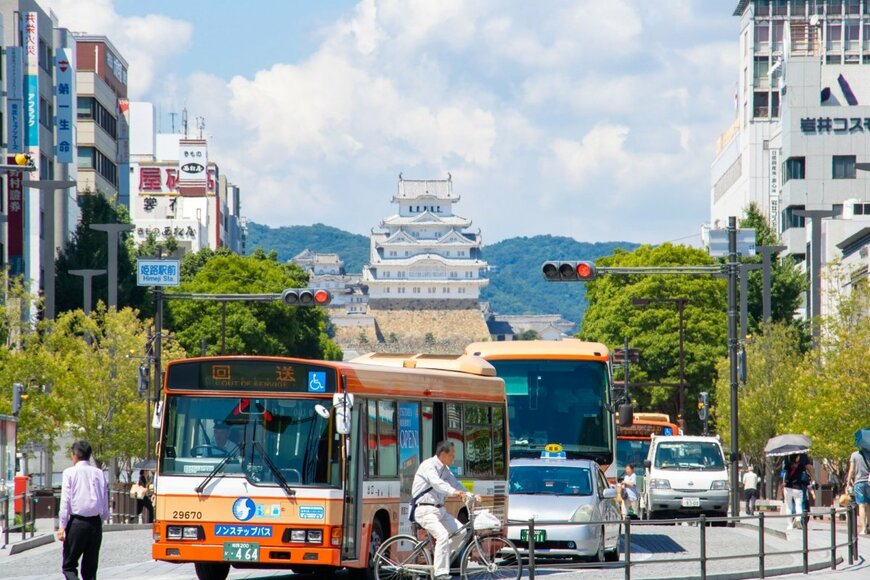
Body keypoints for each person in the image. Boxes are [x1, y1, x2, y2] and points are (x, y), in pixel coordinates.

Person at [411, 441, 475, 580]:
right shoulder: (428, 466)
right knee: (442, 536)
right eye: (452, 455)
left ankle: (441, 558)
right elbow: (438, 484)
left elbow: (456, 483)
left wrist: (471, 495)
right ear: (443, 455)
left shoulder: (445, 470)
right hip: (424, 510)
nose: (453, 458)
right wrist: (455, 492)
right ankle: (440, 573)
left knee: (461, 532)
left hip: (439, 510)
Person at [58, 440, 110, 580]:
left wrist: (62, 526)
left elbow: (65, 501)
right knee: (90, 568)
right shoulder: (99, 473)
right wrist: (104, 517)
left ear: (74, 455)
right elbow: (105, 497)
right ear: (89, 455)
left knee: (69, 565)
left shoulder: (69, 472)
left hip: (77, 522)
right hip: (95, 523)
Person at [780, 453, 815, 530]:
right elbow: (809, 468)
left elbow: (783, 473)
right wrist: (814, 479)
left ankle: (790, 524)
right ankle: (799, 520)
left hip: (788, 487)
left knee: (789, 506)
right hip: (798, 487)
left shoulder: (787, 458)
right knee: (799, 505)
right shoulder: (803, 459)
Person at [846, 446, 870, 534]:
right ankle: (868, 525)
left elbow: (851, 470)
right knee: (869, 505)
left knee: (861, 505)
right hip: (869, 482)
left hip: (859, 482)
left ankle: (863, 528)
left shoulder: (855, 455)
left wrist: (848, 482)